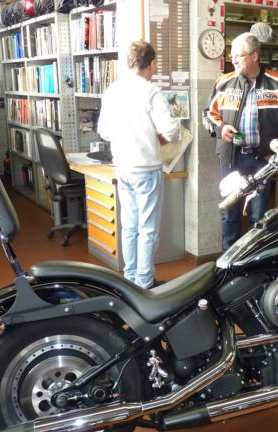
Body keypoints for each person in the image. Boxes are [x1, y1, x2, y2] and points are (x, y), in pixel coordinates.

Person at [97, 41, 180, 289]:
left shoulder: (113, 90)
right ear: (150, 64)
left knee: (130, 226)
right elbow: (172, 131)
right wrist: (155, 135)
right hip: (147, 169)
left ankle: (130, 279)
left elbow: (104, 131)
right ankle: (144, 283)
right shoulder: (150, 91)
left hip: (123, 168)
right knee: (148, 229)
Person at [206, 32, 278, 250]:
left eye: (239, 56)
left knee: (259, 215)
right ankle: (229, 259)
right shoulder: (223, 83)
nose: (233, 60)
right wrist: (221, 127)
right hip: (232, 159)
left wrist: (274, 153)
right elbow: (208, 114)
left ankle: (254, 259)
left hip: (261, 160)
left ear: (254, 56)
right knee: (230, 213)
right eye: (232, 56)